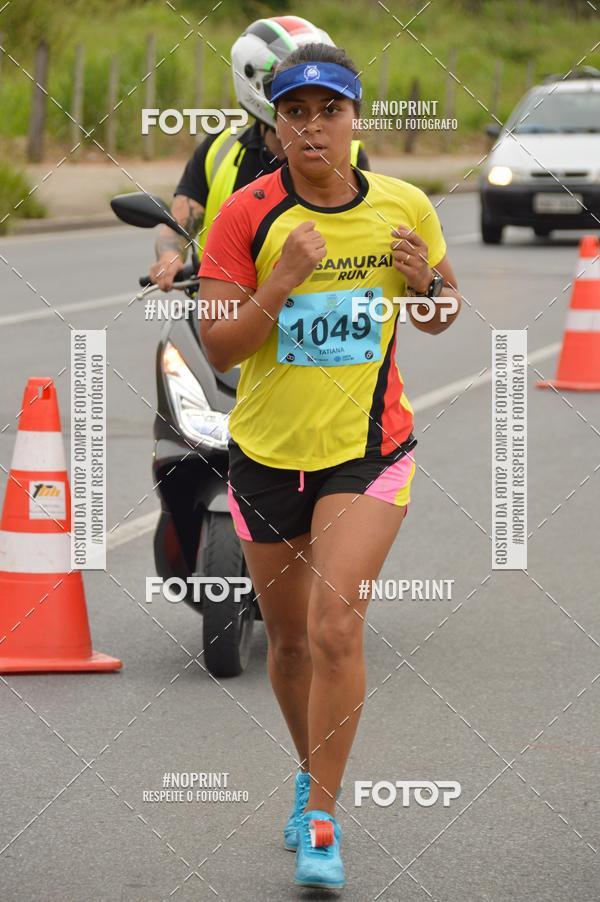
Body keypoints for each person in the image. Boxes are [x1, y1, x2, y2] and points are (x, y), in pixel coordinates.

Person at [198, 43, 461, 892]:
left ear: (355, 120)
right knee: (286, 646)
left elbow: (441, 312)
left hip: (368, 453)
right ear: (275, 129)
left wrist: (426, 288)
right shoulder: (243, 215)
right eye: (295, 113)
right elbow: (219, 341)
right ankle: (310, 773)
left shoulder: (404, 204)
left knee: (335, 625)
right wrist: (281, 283)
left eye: (329, 111)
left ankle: (323, 818)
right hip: (268, 457)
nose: (313, 127)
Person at [148, 16, 368, 291]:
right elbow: (179, 223)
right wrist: (170, 255)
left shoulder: (349, 155)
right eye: (290, 87)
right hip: (220, 303)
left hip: (314, 303)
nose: (313, 124)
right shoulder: (220, 149)